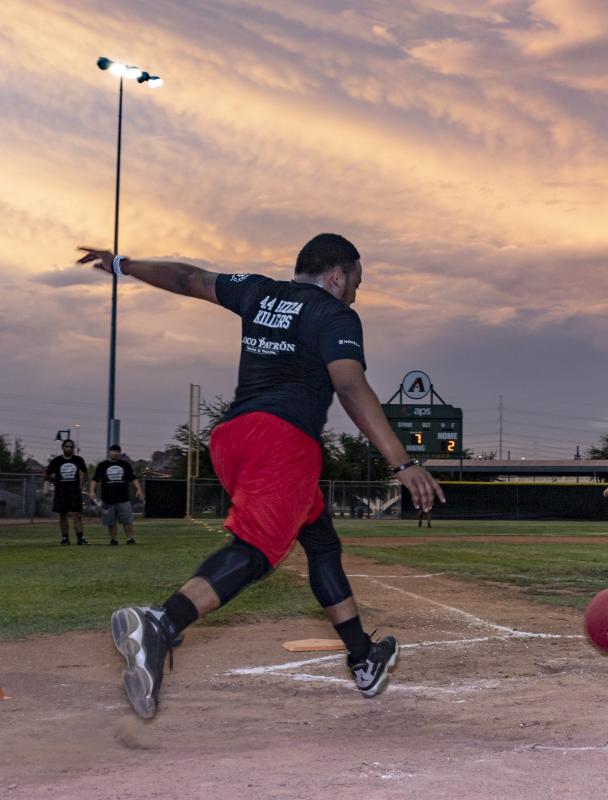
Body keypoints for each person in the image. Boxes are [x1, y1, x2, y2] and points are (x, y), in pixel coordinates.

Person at [76, 234, 444, 719]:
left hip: (233, 439)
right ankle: (161, 623)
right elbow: (351, 385)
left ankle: (363, 657)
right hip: (282, 441)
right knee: (257, 551)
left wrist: (124, 263)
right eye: (356, 280)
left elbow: (189, 278)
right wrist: (403, 462)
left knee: (321, 542)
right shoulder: (335, 315)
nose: (356, 290)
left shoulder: (257, 291)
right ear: (337, 275)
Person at [90, 444, 144, 545]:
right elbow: (95, 480)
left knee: (127, 520)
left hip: (123, 498)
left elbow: (133, 478)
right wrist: (92, 491)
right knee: (111, 521)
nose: (115, 453)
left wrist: (139, 489)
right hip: (108, 498)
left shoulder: (125, 464)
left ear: (120, 453)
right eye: (113, 451)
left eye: (117, 451)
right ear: (109, 452)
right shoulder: (103, 465)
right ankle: (114, 539)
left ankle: (130, 538)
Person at [45, 439, 87, 545]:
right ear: (63, 448)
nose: (69, 449)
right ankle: (65, 538)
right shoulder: (57, 461)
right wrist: (55, 481)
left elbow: (84, 473)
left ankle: (80, 538)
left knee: (77, 515)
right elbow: (47, 474)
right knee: (63, 515)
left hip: (74, 492)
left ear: (73, 449)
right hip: (61, 492)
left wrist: (81, 485)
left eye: (71, 447)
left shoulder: (78, 460)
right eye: (67, 446)